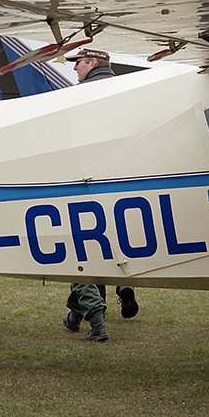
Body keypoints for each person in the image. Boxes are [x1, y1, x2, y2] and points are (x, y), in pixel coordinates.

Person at [60, 48, 139, 341]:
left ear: (91, 63)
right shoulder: (123, 91)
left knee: (83, 252)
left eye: (77, 63)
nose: (74, 69)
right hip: (120, 181)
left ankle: (96, 319)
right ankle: (119, 290)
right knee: (113, 246)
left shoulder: (84, 94)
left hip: (89, 182)